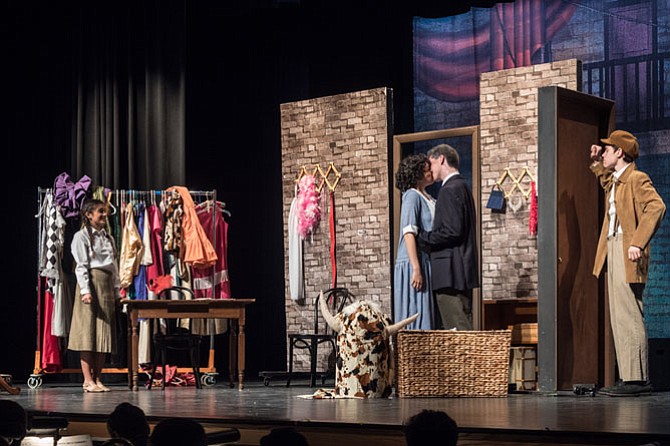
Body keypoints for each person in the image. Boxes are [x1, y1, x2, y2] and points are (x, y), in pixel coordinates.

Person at [589, 130, 665, 397]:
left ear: (620, 152)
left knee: (630, 312)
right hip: (613, 247)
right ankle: (629, 376)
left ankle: (637, 378)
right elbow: (605, 180)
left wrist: (638, 242)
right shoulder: (617, 182)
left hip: (627, 247)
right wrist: (598, 161)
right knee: (619, 314)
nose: (604, 151)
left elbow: (656, 207)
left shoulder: (636, 178)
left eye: (608, 149)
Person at [418, 144, 479, 330]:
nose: (429, 169)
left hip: (451, 274)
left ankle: (471, 360)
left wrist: (423, 237)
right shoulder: (462, 187)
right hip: (460, 271)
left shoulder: (450, 189)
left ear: (441, 159)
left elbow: (452, 230)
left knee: (458, 332)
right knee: (461, 327)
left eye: (431, 163)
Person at [68, 198, 121, 393]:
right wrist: (85, 290)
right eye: (100, 211)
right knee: (88, 332)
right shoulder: (80, 236)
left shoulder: (108, 238)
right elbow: (81, 265)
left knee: (103, 334)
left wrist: (117, 289)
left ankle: (98, 378)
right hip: (91, 284)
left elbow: (113, 266)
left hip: (106, 285)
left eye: (105, 212)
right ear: (89, 215)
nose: (104, 215)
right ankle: (87, 379)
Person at [393, 153, 436, 329]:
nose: (431, 172)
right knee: (416, 313)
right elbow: (408, 232)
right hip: (413, 262)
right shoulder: (411, 196)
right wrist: (416, 268)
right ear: (418, 173)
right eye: (427, 169)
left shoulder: (426, 196)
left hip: (424, 260)